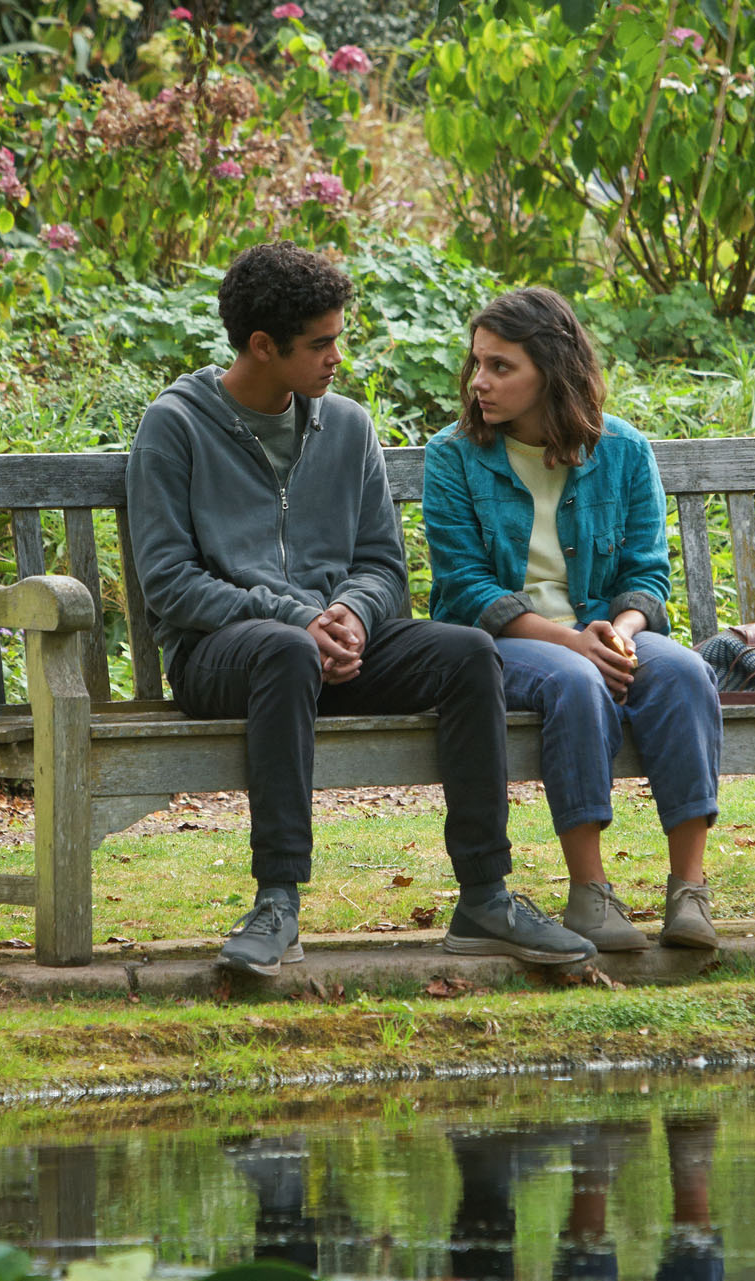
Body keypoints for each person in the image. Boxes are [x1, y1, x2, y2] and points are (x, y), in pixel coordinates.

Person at [125, 242, 596, 976]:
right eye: (321, 343)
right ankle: (278, 899)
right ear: (261, 345)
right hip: (221, 653)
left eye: (338, 337)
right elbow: (169, 582)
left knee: (470, 652)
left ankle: (485, 894)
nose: (337, 356)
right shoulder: (176, 425)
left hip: (334, 644)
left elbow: (381, 564)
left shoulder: (345, 426)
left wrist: (349, 613)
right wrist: (293, 617)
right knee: (283, 650)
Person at [423, 286, 724, 951]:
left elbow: (647, 575)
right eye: (478, 363)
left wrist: (621, 631)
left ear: (551, 371)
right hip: (503, 642)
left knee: (685, 673)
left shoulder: (623, 450)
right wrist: (572, 641)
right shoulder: (453, 456)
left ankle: (690, 892)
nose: (480, 382)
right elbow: (466, 586)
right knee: (574, 679)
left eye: (502, 367)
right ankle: (590, 893)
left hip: (605, 631)